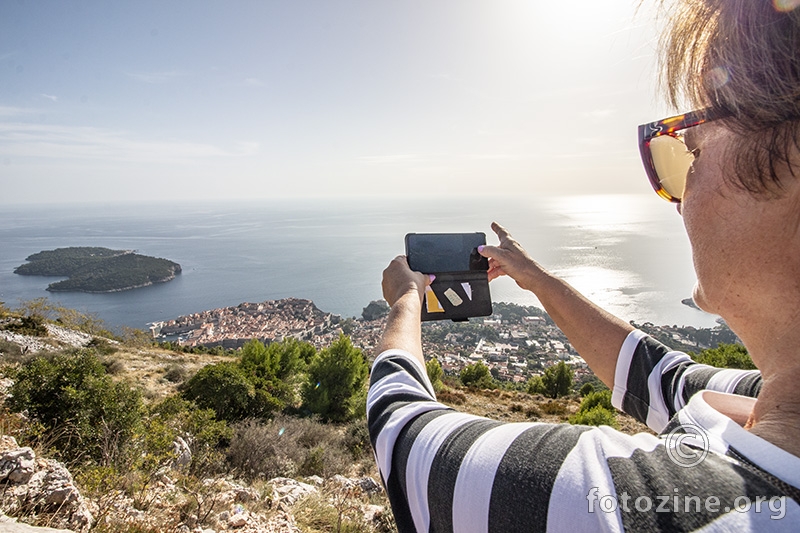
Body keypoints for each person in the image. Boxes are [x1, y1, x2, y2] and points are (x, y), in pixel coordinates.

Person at [367, 0, 800, 531]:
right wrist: (537, 279)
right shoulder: (757, 396)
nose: (674, 196)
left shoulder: (612, 505)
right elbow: (656, 379)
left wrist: (407, 300)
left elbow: (405, 441)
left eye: (687, 150)